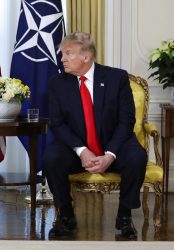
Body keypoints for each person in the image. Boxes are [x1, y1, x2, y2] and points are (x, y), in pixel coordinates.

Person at [43, 32, 147, 240]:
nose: (62, 58)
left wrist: (110, 154)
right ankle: (66, 215)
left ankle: (124, 215)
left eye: (68, 54)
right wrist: (82, 151)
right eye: (62, 54)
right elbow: (58, 124)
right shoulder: (57, 83)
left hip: (113, 143)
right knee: (51, 158)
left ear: (86, 56)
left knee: (137, 157)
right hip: (76, 147)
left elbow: (126, 121)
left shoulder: (117, 78)